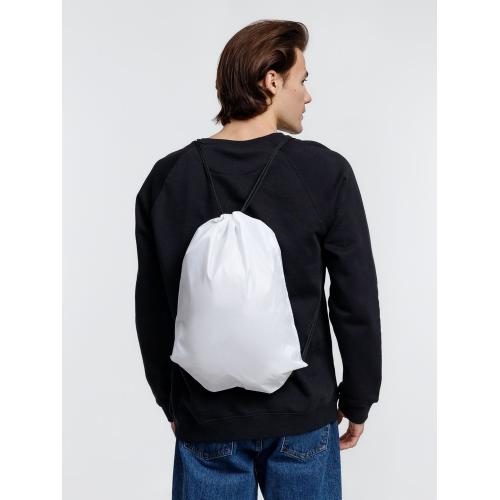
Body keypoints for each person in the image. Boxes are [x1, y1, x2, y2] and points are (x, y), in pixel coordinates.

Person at [134, 19, 382, 500]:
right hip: (303, 416)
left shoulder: (167, 179)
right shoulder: (325, 171)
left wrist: (171, 400)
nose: (307, 95)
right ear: (272, 80)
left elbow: (154, 306)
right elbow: (355, 300)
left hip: (206, 419)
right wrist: (359, 398)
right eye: (302, 80)